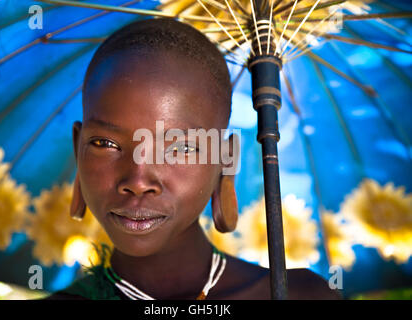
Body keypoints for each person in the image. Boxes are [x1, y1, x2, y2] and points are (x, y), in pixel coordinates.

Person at [45, 18, 340, 300]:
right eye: (105, 143)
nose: (137, 181)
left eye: (181, 148)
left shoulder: (300, 295)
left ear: (226, 159)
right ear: (78, 147)